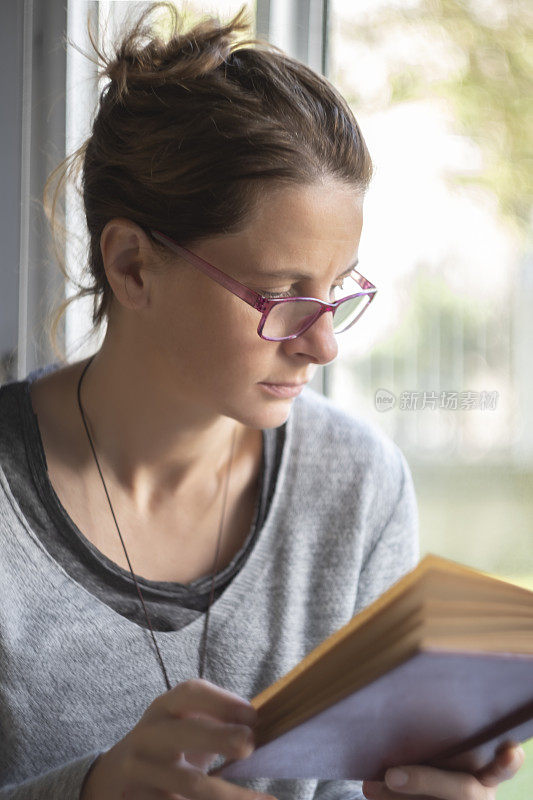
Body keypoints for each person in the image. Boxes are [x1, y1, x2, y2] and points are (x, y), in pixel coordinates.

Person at [0, 2, 525, 799]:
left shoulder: (359, 488)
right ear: (133, 266)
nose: (322, 345)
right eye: (281, 296)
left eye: (338, 292)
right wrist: (93, 790)